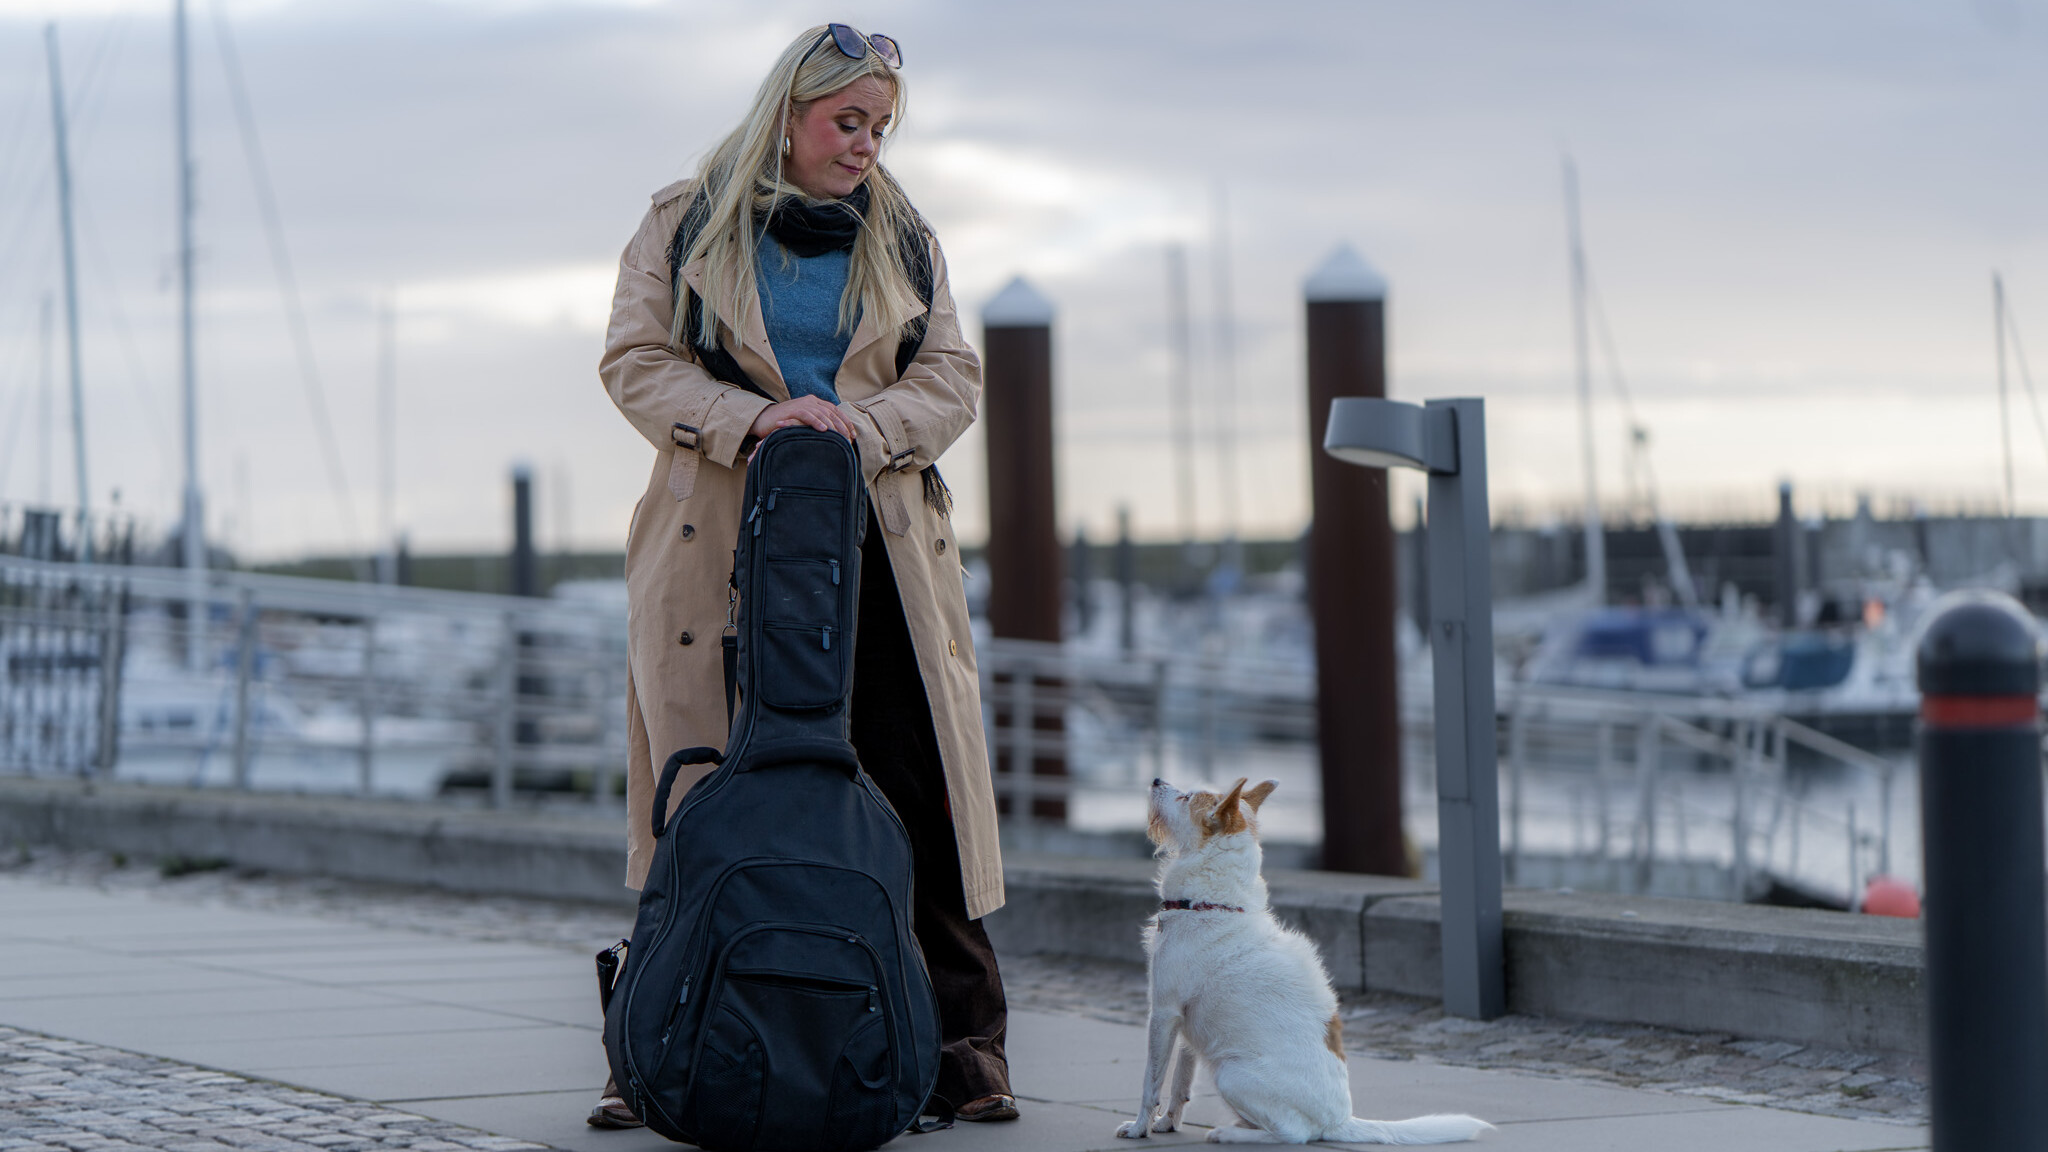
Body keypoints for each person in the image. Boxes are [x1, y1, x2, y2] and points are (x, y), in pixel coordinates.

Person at [592, 22, 1015, 1127]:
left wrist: (852, 429)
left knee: (913, 777)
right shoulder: (682, 222)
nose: (867, 144)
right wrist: (757, 420)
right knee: (699, 781)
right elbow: (633, 362)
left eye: (880, 127)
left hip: (875, 540)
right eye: (847, 122)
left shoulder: (904, 234)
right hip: (720, 541)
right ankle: (652, 1049)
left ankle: (963, 1053)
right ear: (788, 113)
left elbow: (953, 378)